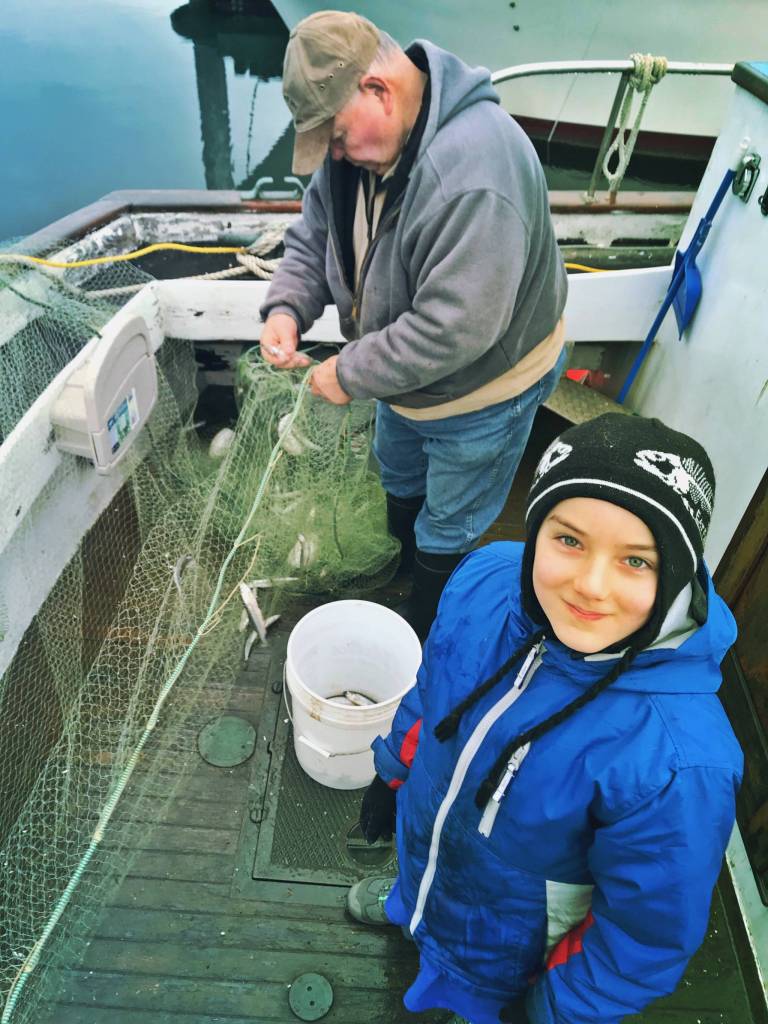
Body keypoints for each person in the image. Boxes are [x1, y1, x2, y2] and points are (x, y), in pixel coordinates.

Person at [347, 412, 743, 1024]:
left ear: (680, 571)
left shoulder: (678, 761)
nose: (590, 585)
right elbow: (433, 689)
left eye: (636, 561)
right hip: (428, 839)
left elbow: (643, 934)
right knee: (420, 889)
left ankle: (464, 988)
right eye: (569, 540)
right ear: (535, 532)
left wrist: (554, 1008)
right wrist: (392, 771)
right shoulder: (483, 579)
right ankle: (412, 911)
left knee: (477, 994)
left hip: (513, 941)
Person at [259, 10, 568, 639]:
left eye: (338, 137)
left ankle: (428, 622)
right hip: (402, 382)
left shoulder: (477, 171)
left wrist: (348, 372)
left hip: (486, 391)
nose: (336, 155)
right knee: (397, 473)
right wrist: (288, 307)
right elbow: (314, 233)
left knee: (450, 522)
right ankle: (402, 566)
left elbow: (457, 328)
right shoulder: (359, 157)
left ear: (378, 90)